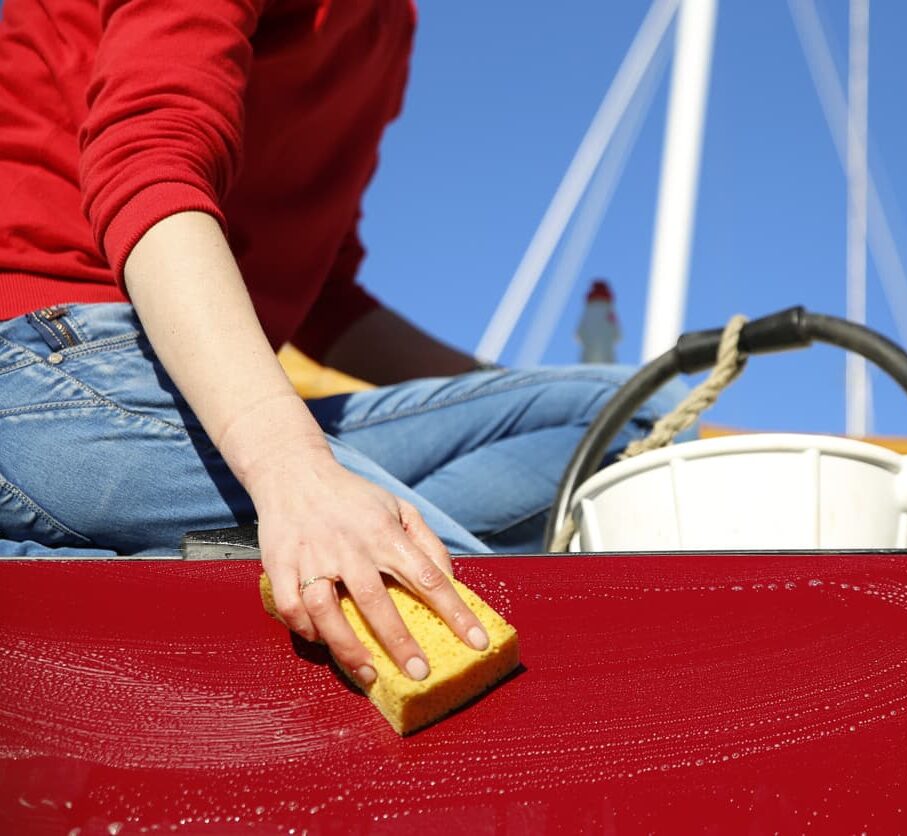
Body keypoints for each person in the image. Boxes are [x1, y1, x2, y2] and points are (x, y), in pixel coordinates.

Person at [0, 2, 685, 687]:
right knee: (487, 631)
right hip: (47, 359)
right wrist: (294, 474)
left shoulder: (389, 25)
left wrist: (483, 401)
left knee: (624, 412)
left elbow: (325, 297)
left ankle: (180, 561)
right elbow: (145, 161)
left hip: (188, 391)